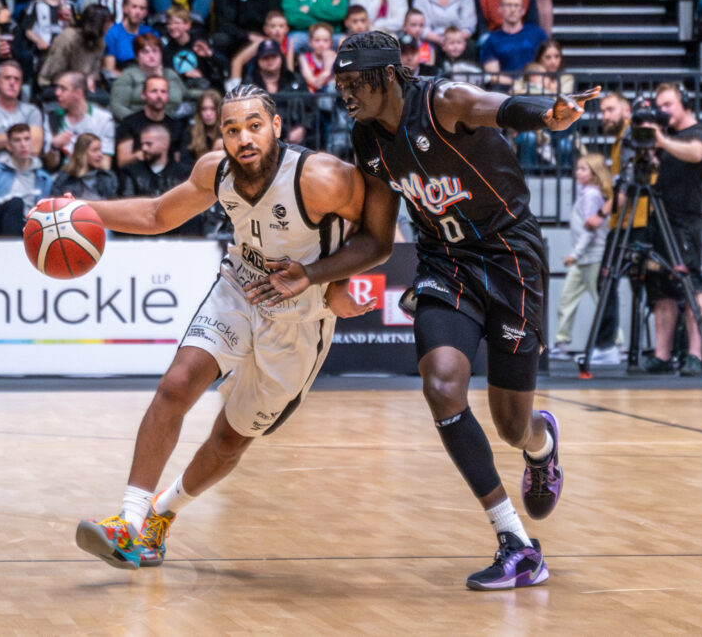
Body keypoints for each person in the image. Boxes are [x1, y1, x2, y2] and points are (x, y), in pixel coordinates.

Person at [248, 31, 597, 590]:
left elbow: (500, 108)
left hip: (511, 260)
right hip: (445, 262)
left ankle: (542, 445)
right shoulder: (368, 141)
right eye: (338, 86)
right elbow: (379, 242)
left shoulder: (444, 102)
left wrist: (547, 115)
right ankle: (516, 542)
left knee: (513, 426)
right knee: (440, 384)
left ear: (387, 75)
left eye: (352, 84)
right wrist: (310, 274)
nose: (344, 95)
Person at [73, 84, 367, 570]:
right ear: (221, 134)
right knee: (175, 385)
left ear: (275, 126)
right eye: (232, 129)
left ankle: (162, 515)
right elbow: (155, 214)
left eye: (254, 125)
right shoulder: (216, 171)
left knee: (230, 440)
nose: (243, 138)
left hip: (299, 315)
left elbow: (377, 224)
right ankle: (128, 521)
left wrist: (336, 279)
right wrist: (81, 211)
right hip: (240, 286)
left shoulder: (320, 177)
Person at [640, 83, 702, 376]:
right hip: (661, 220)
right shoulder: (669, 138)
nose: (663, 111)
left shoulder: (697, 133)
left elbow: (696, 154)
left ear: (686, 104)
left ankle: (695, 355)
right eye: (661, 106)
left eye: (669, 105)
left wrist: (661, 141)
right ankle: (662, 355)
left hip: (685, 222)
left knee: (690, 284)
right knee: (661, 291)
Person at [585, 91, 639, 366]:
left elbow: (627, 186)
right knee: (607, 281)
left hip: (635, 223)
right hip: (625, 222)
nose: (605, 116)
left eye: (611, 110)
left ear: (626, 109)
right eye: (603, 111)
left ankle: (607, 345)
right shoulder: (621, 141)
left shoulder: (629, 138)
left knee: (607, 281)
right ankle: (609, 345)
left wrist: (601, 213)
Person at [551, 154, 612, 358]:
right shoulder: (585, 192)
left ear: (595, 173)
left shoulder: (592, 195)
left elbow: (590, 229)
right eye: (578, 168)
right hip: (583, 259)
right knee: (567, 299)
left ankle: (615, 344)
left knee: (603, 302)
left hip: (593, 257)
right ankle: (561, 343)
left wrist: (574, 254)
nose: (578, 172)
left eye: (584, 169)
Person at [0, 123, 52, 238]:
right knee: (15, 203)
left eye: (27, 139)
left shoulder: (43, 179)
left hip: (29, 228)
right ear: (9, 146)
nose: (23, 145)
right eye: (17, 140)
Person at [37, 4, 114, 104]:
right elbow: (54, 72)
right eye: (108, 22)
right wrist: (77, 82)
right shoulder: (67, 38)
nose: (111, 25)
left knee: (105, 98)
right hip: (54, 84)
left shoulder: (100, 42)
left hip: (82, 85)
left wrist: (91, 78)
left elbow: (94, 69)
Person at [43, 71, 116, 171]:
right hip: (61, 179)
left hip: (91, 179)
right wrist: (54, 147)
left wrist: (81, 153)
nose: (57, 93)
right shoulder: (53, 118)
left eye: (63, 89)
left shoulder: (103, 119)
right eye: (57, 88)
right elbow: (50, 165)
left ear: (78, 93)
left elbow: (105, 165)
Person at [109, 32, 187, 120]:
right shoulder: (128, 76)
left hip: (169, 122)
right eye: (145, 52)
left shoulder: (170, 74)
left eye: (155, 51)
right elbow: (117, 106)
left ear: (161, 54)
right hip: (136, 124)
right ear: (137, 56)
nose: (151, 56)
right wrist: (140, 122)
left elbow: (185, 95)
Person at [115, 74, 185, 168]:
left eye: (163, 91)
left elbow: (178, 161)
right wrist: (145, 153)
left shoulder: (176, 126)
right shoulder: (129, 124)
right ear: (143, 95)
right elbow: (122, 161)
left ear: (168, 96)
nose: (159, 96)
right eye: (154, 91)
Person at [481, 0, 548, 84]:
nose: (512, 9)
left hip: (538, 89)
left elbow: (549, 66)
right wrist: (519, 85)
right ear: (500, 9)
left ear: (523, 10)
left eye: (516, 5)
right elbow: (493, 76)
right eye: (508, 5)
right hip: (507, 92)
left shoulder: (538, 34)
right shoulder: (492, 40)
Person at [50, 133, 121, 200]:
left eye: (100, 150)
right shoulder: (65, 178)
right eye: (95, 150)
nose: (100, 155)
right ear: (82, 153)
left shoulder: (108, 177)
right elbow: (55, 202)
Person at [102, 0, 153, 74]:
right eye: (134, 7)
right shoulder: (113, 33)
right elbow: (109, 70)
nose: (138, 12)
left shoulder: (150, 33)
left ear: (145, 13)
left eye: (142, 8)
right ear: (125, 8)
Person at [186, 89, 223, 161]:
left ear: (219, 111)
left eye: (213, 109)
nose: (208, 114)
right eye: (204, 109)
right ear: (199, 111)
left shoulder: (226, 132)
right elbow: (185, 162)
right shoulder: (190, 132)